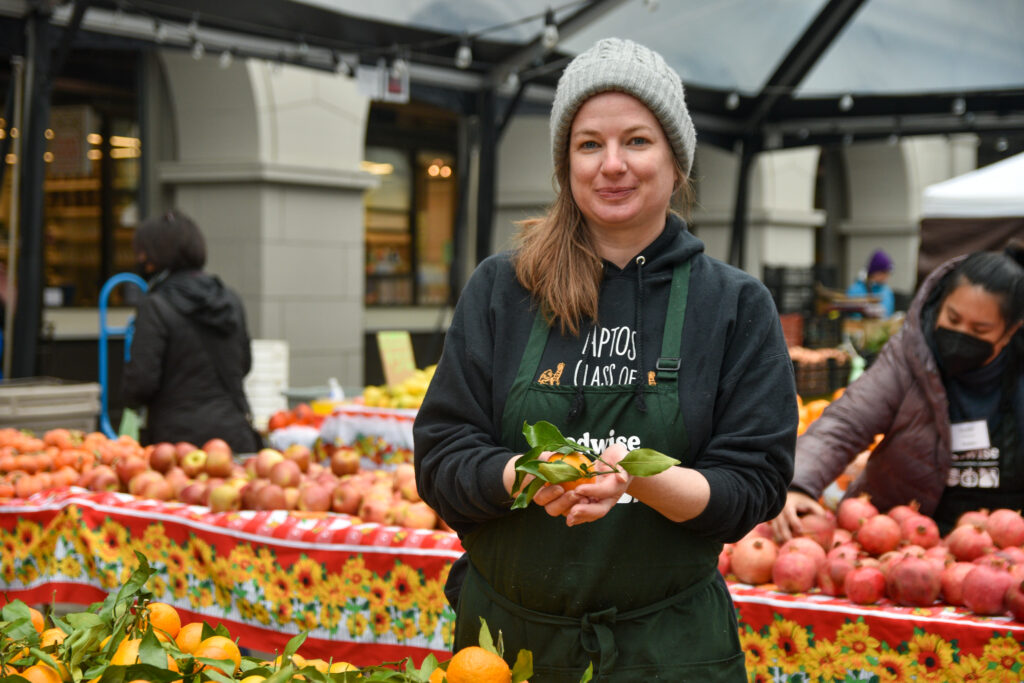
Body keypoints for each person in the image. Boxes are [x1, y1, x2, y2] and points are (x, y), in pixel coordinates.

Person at [413, 38, 796, 682]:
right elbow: (441, 457)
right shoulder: (504, 288)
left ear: (676, 159)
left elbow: (752, 485)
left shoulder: (733, 305)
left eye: (637, 141)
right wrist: (532, 474)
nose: (612, 165)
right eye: (589, 143)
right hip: (506, 651)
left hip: (669, 652)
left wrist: (640, 478)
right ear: (566, 164)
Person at [773, 242, 1024, 540]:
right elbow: (846, 423)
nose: (961, 334)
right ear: (940, 303)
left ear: (1010, 331)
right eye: (953, 319)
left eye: (979, 330)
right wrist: (799, 484)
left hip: (1009, 547)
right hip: (902, 540)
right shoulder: (909, 356)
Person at [122, 210, 262, 454]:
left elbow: (141, 384)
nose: (140, 259)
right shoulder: (230, 299)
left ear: (155, 256)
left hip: (176, 448)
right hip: (233, 439)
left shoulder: (156, 306)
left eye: (142, 252)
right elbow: (244, 365)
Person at [847, 248, 896, 317]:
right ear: (874, 272)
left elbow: (888, 315)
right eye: (883, 272)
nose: (886, 276)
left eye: (887, 273)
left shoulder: (887, 291)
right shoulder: (855, 290)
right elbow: (850, 318)